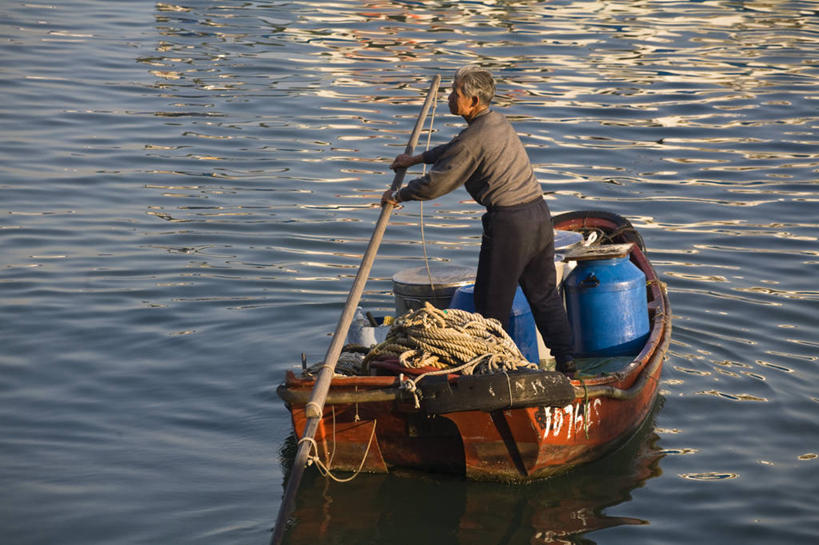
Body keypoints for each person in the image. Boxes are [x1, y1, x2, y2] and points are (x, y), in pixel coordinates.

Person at [381, 65, 576, 375]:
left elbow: (438, 182)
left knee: (491, 304)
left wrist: (399, 195)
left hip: (511, 223)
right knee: (544, 296)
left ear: (472, 101)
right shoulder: (496, 122)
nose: (449, 97)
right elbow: (454, 148)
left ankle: (491, 370)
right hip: (538, 215)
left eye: (455, 93)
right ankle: (567, 360)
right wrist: (416, 159)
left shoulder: (475, 138)